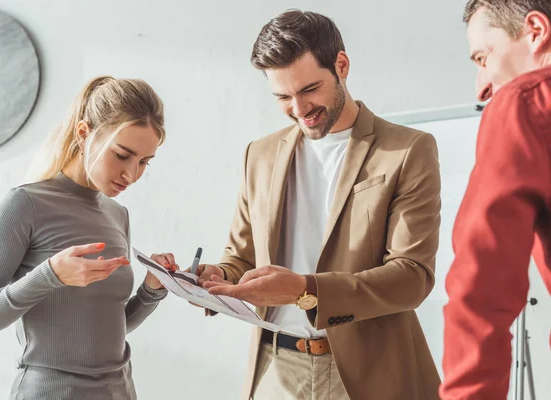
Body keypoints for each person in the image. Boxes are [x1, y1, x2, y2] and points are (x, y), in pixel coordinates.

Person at [194, 9, 442, 400]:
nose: (298, 108)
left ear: (341, 65)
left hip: (368, 372)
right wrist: (216, 277)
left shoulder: (407, 150)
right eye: (282, 97)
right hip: (276, 369)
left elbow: (412, 277)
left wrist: (304, 290)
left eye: (309, 89)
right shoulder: (258, 155)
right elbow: (241, 257)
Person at [0, 76, 179, 399]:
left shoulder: (118, 215)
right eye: (121, 155)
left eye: (144, 162)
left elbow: (107, 329)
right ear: (83, 133)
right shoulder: (26, 205)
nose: (131, 175)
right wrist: (50, 275)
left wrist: (151, 290)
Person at [440, 1, 551, 399]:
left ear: (536, 31)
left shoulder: (529, 103)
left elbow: (481, 291)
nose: (481, 86)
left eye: (484, 58)